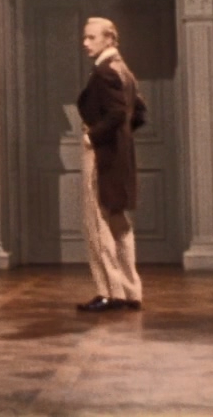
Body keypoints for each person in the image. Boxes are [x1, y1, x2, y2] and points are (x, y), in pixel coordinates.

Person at [75, 16, 148, 312]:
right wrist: (122, 138)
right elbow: (138, 113)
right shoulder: (123, 70)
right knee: (118, 223)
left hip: (102, 156)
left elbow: (117, 113)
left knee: (98, 223)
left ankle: (109, 292)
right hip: (119, 154)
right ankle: (130, 291)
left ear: (109, 39)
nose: (85, 43)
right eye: (85, 37)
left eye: (91, 37)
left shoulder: (105, 72)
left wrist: (93, 136)